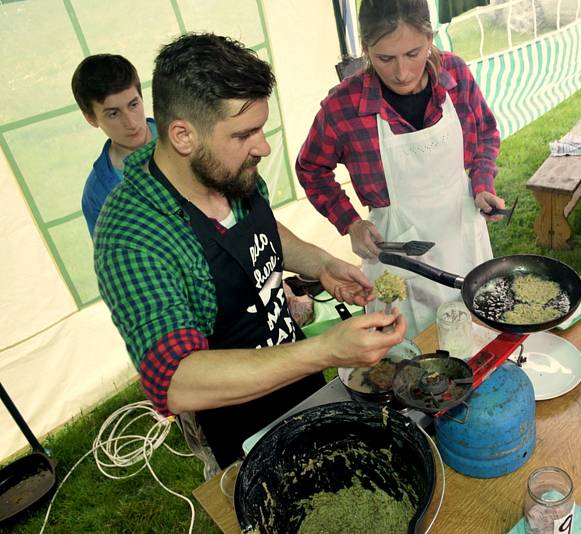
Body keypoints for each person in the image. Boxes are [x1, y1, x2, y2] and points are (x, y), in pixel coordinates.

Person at [93, 33, 406, 473]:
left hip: (300, 377)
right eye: (245, 133)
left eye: (260, 128)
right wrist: (327, 351)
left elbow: (260, 228)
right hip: (239, 422)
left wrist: (321, 264)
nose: (263, 146)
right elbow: (175, 380)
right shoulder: (133, 236)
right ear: (183, 135)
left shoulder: (226, 166)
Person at [296, 0, 505, 339]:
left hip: (462, 235)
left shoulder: (455, 75)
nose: (402, 72)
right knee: (411, 358)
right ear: (366, 49)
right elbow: (311, 168)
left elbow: (485, 131)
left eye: (413, 53)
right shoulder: (344, 106)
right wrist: (351, 222)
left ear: (430, 37)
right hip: (397, 250)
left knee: (476, 338)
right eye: (384, 59)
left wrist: (482, 183)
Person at [71, 54, 157, 237]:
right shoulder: (98, 193)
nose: (131, 122)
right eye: (113, 114)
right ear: (91, 119)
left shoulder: (187, 132)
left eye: (133, 105)